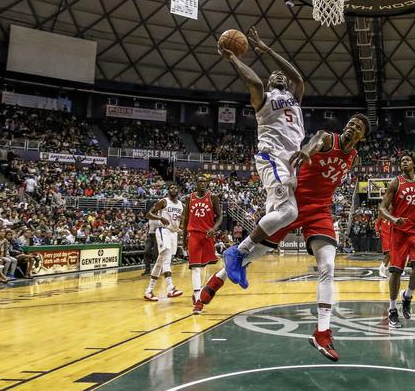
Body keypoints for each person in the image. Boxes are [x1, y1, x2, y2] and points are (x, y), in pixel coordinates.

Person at [200, 115, 368, 361]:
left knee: (328, 265)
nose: (351, 127)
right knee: (256, 253)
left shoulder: (354, 157)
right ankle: (217, 279)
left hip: (320, 210)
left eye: (358, 128)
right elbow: (311, 146)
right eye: (350, 123)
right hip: (295, 202)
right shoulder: (325, 137)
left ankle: (322, 333)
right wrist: (305, 152)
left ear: (361, 137)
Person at [220, 27, 306, 289]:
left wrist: (268, 51)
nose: (279, 76)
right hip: (272, 157)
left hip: (289, 164)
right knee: (288, 211)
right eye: (274, 76)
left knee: (278, 225)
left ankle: (241, 262)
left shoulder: (294, 96)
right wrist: (233, 58)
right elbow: (255, 83)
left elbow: (298, 78)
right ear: (270, 84)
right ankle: (237, 252)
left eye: (281, 76)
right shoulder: (264, 98)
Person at [379, 151, 415, 329]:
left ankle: (407, 296)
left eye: (407, 160)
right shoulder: (395, 182)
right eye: (401, 161)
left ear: (414, 164)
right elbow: (382, 207)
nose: (404, 162)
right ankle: (392, 309)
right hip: (399, 231)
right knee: (396, 272)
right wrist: (393, 219)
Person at [186, 175, 222, 314]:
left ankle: (198, 291)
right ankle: (199, 301)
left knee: (204, 266)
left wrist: (214, 229)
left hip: (207, 235)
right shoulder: (189, 198)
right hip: (193, 234)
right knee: (195, 267)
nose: (202, 183)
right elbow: (186, 218)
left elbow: (220, 216)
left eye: (204, 181)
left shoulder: (213, 197)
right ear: (195, 183)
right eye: (200, 181)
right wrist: (184, 237)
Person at [143, 184, 184, 301]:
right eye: (171, 188)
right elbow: (148, 214)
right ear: (168, 191)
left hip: (173, 233)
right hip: (163, 231)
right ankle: (171, 288)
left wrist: (181, 225)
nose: (173, 189)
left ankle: (149, 291)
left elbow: (183, 220)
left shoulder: (181, 205)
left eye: (175, 188)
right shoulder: (163, 202)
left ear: (179, 190)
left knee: (160, 262)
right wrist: (160, 218)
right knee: (166, 259)